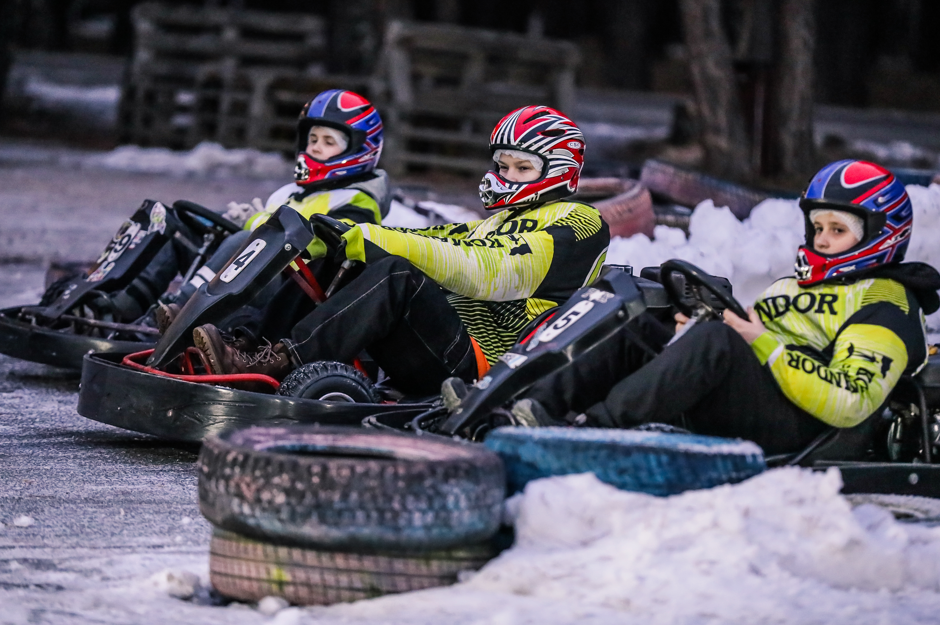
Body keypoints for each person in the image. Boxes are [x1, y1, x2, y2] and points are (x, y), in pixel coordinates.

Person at [510, 159, 940, 456]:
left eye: (838, 230)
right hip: (764, 396)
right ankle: (534, 405)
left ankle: (589, 436)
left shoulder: (886, 303)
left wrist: (759, 342)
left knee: (715, 342)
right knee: (643, 321)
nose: (822, 240)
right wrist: (692, 332)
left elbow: (849, 401)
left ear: (878, 235)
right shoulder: (797, 283)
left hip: (805, 427)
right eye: (818, 227)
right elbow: (750, 338)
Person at [192, 105, 610, 395]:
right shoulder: (497, 221)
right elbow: (438, 238)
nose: (507, 176)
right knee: (345, 255)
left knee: (397, 275)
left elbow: (490, 270)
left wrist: (380, 240)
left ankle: (275, 364)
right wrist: (356, 237)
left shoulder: (579, 223)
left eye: (523, 168)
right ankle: (250, 347)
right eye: (502, 166)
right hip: (444, 344)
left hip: (484, 368)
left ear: (560, 170)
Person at [89, 89, 390, 328]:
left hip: (292, 295)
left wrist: (259, 222)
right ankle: (123, 303)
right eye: (312, 139)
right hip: (254, 277)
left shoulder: (358, 201)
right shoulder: (296, 192)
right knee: (179, 227)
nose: (314, 148)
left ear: (359, 149)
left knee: (238, 242)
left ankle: (178, 313)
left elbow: (321, 244)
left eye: (328, 141)